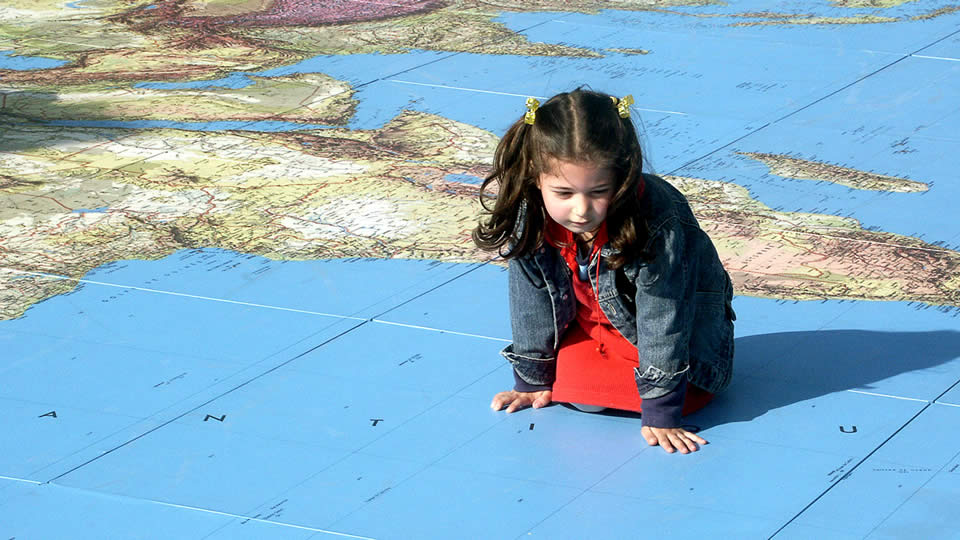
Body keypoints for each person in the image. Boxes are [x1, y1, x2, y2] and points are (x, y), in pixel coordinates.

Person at [472, 89, 736, 454]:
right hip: (591, 327)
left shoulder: (656, 220)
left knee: (605, 395)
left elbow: (664, 317)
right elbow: (530, 301)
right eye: (563, 193)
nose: (581, 210)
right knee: (579, 395)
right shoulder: (528, 214)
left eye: (598, 191)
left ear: (623, 176)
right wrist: (532, 379)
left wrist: (661, 409)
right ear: (536, 176)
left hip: (667, 340)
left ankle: (660, 388)